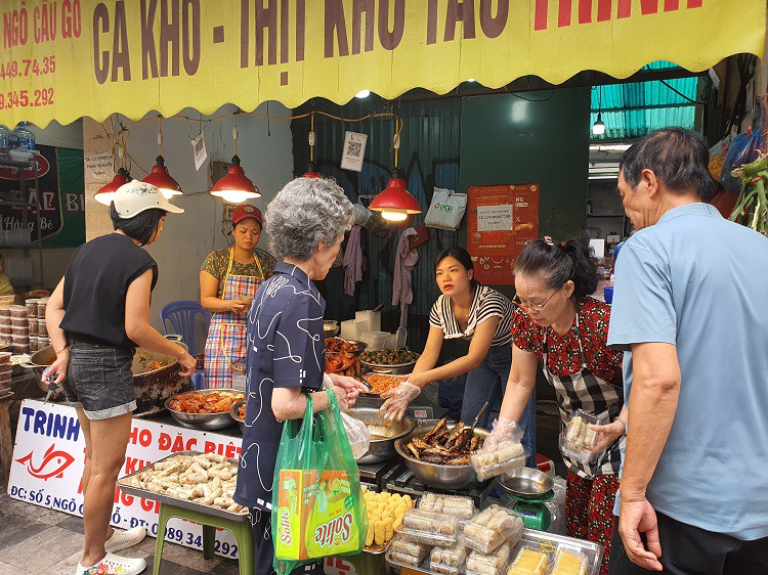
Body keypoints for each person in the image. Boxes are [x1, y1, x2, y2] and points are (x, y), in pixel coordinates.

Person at [606, 128, 768, 574]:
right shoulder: (761, 248)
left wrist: (634, 492)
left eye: (625, 196)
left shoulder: (648, 248)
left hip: (680, 510)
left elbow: (659, 380)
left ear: (649, 181)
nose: (630, 213)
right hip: (759, 510)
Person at [44, 181, 197, 575]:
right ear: (149, 222)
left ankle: (104, 535)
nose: (162, 228)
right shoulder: (139, 262)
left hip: (75, 364)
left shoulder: (86, 250)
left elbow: (53, 307)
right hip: (104, 367)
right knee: (104, 468)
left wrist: (63, 352)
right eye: (161, 219)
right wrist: (181, 352)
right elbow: (135, 328)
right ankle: (92, 560)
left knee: (94, 458)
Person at [233, 177, 367, 575]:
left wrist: (325, 380)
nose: (340, 253)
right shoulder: (304, 298)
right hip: (290, 475)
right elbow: (286, 405)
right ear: (321, 240)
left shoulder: (271, 288)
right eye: (340, 240)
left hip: (261, 466)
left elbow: (276, 369)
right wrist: (333, 401)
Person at [487, 235, 627, 575]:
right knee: (577, 523)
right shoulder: (529, 322)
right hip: (575, 439)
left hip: (621, 437)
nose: (527, 310)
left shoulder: (600, 324)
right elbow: (520, 380)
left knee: (604, 528)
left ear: (566, 289)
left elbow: (644, 387)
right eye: (520, 300)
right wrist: (502, 431)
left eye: (536, 301)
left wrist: (621, 425)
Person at [380, 247, 537, 463]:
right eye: (439, 272)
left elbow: (474, 358)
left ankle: (522, 487)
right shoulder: (441, 306)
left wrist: (423, 378)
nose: (446, 277)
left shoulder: (487, 301)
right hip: (483, 359)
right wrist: (410, 387)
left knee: (518, 429)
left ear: (470, 274)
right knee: (468, 422)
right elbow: (428, 354)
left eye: (453, 270)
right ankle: (472, 473)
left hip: (515, 356)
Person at [200, 204, 275, 388]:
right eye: (243, 231)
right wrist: (230, 304)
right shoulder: (217, 260)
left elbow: (273, 299)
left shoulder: (266, 263)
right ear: (232, 230)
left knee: (247, 395)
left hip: (254, 338)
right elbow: (206, 300)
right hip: (222, 340)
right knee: (220, 398)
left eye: (255, 232)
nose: (249, 237)